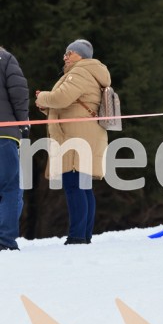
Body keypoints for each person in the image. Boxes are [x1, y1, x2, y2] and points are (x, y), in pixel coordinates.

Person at [35, 39, 110, 245]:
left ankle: (77, 236)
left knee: (73, 186)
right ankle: (84, 235)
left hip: (76, 138)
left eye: (70, 53)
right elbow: (70, 103)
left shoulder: (80, 72)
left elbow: (62, 98)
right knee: (84, 187)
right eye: (65, 53)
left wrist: (43, 97)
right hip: (87, 136)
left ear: (81, 55)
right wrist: (48, 106)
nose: (65, 56)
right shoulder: (91, 73)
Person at [0, 47, 29, 251]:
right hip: (4, 133)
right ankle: (5, 241)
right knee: (10, 189)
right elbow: (19, 92)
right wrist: (23, 122)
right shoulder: (5, 58)